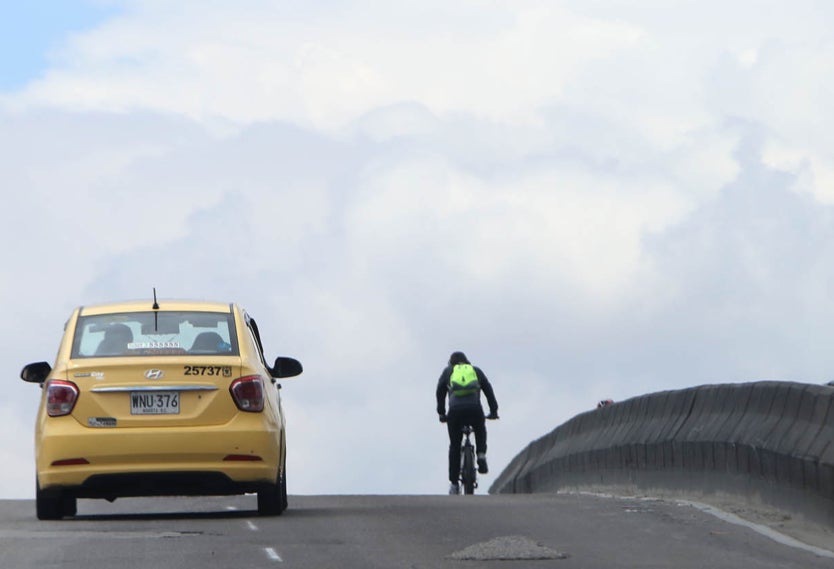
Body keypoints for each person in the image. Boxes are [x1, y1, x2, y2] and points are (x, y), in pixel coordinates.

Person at [436, 351, 499, 495]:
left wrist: (441, 413)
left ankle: (454, 484)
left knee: (455, 445)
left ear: (451, 363)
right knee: (480, 428)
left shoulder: (448, 372)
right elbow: (488, 390)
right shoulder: (475, 371)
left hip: (455, 412)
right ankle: (481, 454)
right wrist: (494, 411)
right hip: (474, 409)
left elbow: (440, 391)